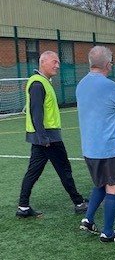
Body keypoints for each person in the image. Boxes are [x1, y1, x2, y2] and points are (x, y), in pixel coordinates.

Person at [76, 45, 115, 243]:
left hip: (90, 148)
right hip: (110, 148)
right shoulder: (110, 86)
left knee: (100, 184)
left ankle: (88, 219)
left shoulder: (81, 84)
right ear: (108, 64)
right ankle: (108, 232)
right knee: (113, 186)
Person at [16, 50, 88, 218]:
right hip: (48, 138)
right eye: (54, 62)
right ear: (43, 63)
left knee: (34, 171)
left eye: (58, 63)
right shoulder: (38, 84)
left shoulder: (43, 82)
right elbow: (36, 113)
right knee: (64, 169)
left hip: (44, 137)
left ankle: (23, 207)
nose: (57, 66)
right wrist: (43, 138)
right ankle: (78, 202)